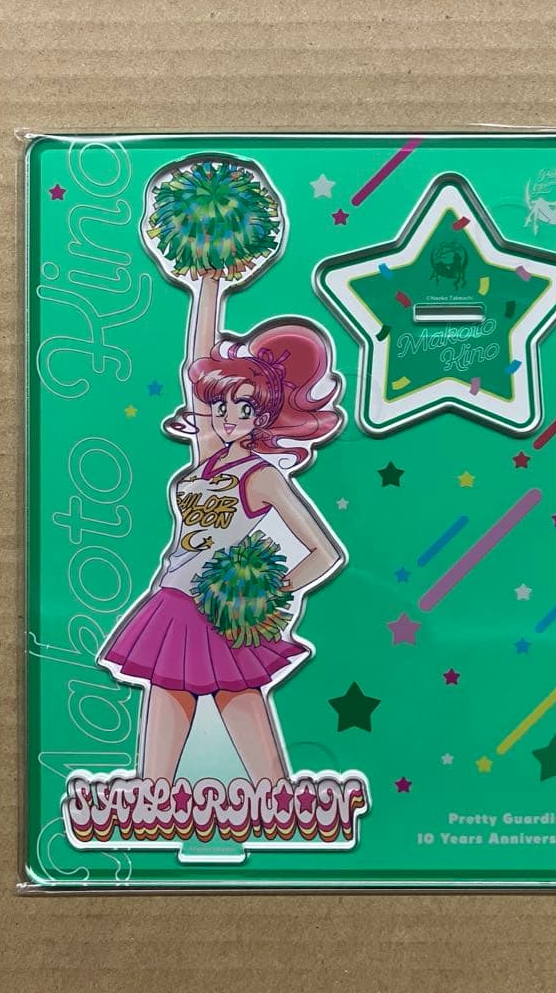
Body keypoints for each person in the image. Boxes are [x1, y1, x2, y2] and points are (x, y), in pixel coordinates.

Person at [98, 274, 344, 786]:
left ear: (264, 416)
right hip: (171, 601)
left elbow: (325, 553)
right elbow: (198, 367)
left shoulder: (261, 476)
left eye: (246, 407)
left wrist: (267, 594)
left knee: (244, 708)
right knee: (164, 711)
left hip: (220, 608)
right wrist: (208, 282)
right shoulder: (210, 457)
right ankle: (151, 804)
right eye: (223, 405)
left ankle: (279, 805)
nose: (230, 417)